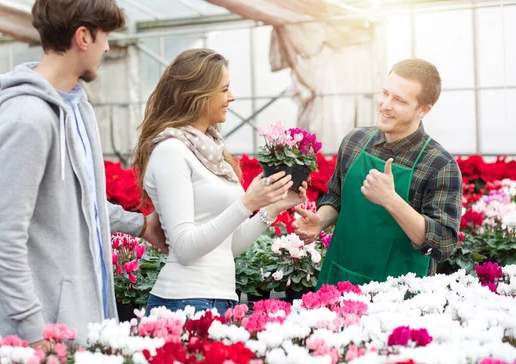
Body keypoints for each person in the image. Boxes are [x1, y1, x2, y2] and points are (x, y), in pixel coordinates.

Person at [0, 0, 168, 348]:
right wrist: (34, 333)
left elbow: (82, 203)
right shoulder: (27, 118)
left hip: (87, 323)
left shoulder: (77, 106)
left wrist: (140, 225)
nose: (108, 47)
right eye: (105, 37)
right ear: (83, 36)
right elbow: (1, 238)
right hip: (46, 335)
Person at [133, 48, 307, 315]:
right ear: (198, 94)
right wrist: (247, 202)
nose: (232, 97)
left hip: (220, 300)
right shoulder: (171, 151)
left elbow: (231, 245)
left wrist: (274, 206)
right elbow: (185, 248)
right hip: (183, 302)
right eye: (224, 90)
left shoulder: (211, 150)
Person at [294, 58, 462, 287]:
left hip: (397, 294)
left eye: (399, 100)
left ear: (423, 109)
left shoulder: (440, 165)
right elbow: (336, 196)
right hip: (339, 278)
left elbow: (443, 243)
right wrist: (319, 221)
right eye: (385, 93)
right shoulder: (355, 141)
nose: (385, 105)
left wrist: (391, 200)